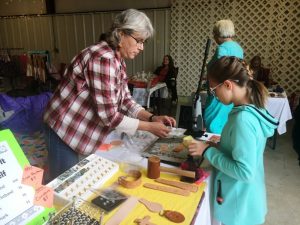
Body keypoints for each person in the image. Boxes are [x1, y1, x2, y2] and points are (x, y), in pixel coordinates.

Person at [43, 9, 176, 180]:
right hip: (63, 129)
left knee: (75, 180)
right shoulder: (102, 58)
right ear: (120, 34)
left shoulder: (117, 60)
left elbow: (126, 101)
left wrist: (151, 118)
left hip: (77, 129)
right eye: (139, 41)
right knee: (64, 184)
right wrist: (150, 128)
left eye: (144, 42)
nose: (141, 47)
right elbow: (110, 117)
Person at [189, 56, 278, 225]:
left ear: (228, 85)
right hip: (247, 199)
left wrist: (207, 151)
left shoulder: (243, 119)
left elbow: (244, 171)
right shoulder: (252, 108)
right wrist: (223, 144)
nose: (214, 96)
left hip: (239, 208)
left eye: (214, 90)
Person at [204, 19, 244, 134]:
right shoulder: (238, 48)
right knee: (225, 120)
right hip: (232, 90)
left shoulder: (222, 49)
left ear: (218, 34)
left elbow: (221, 71)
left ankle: (213, 145)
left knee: (213, 121)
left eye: (214, 34)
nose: (214, 37)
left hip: (220, 90)